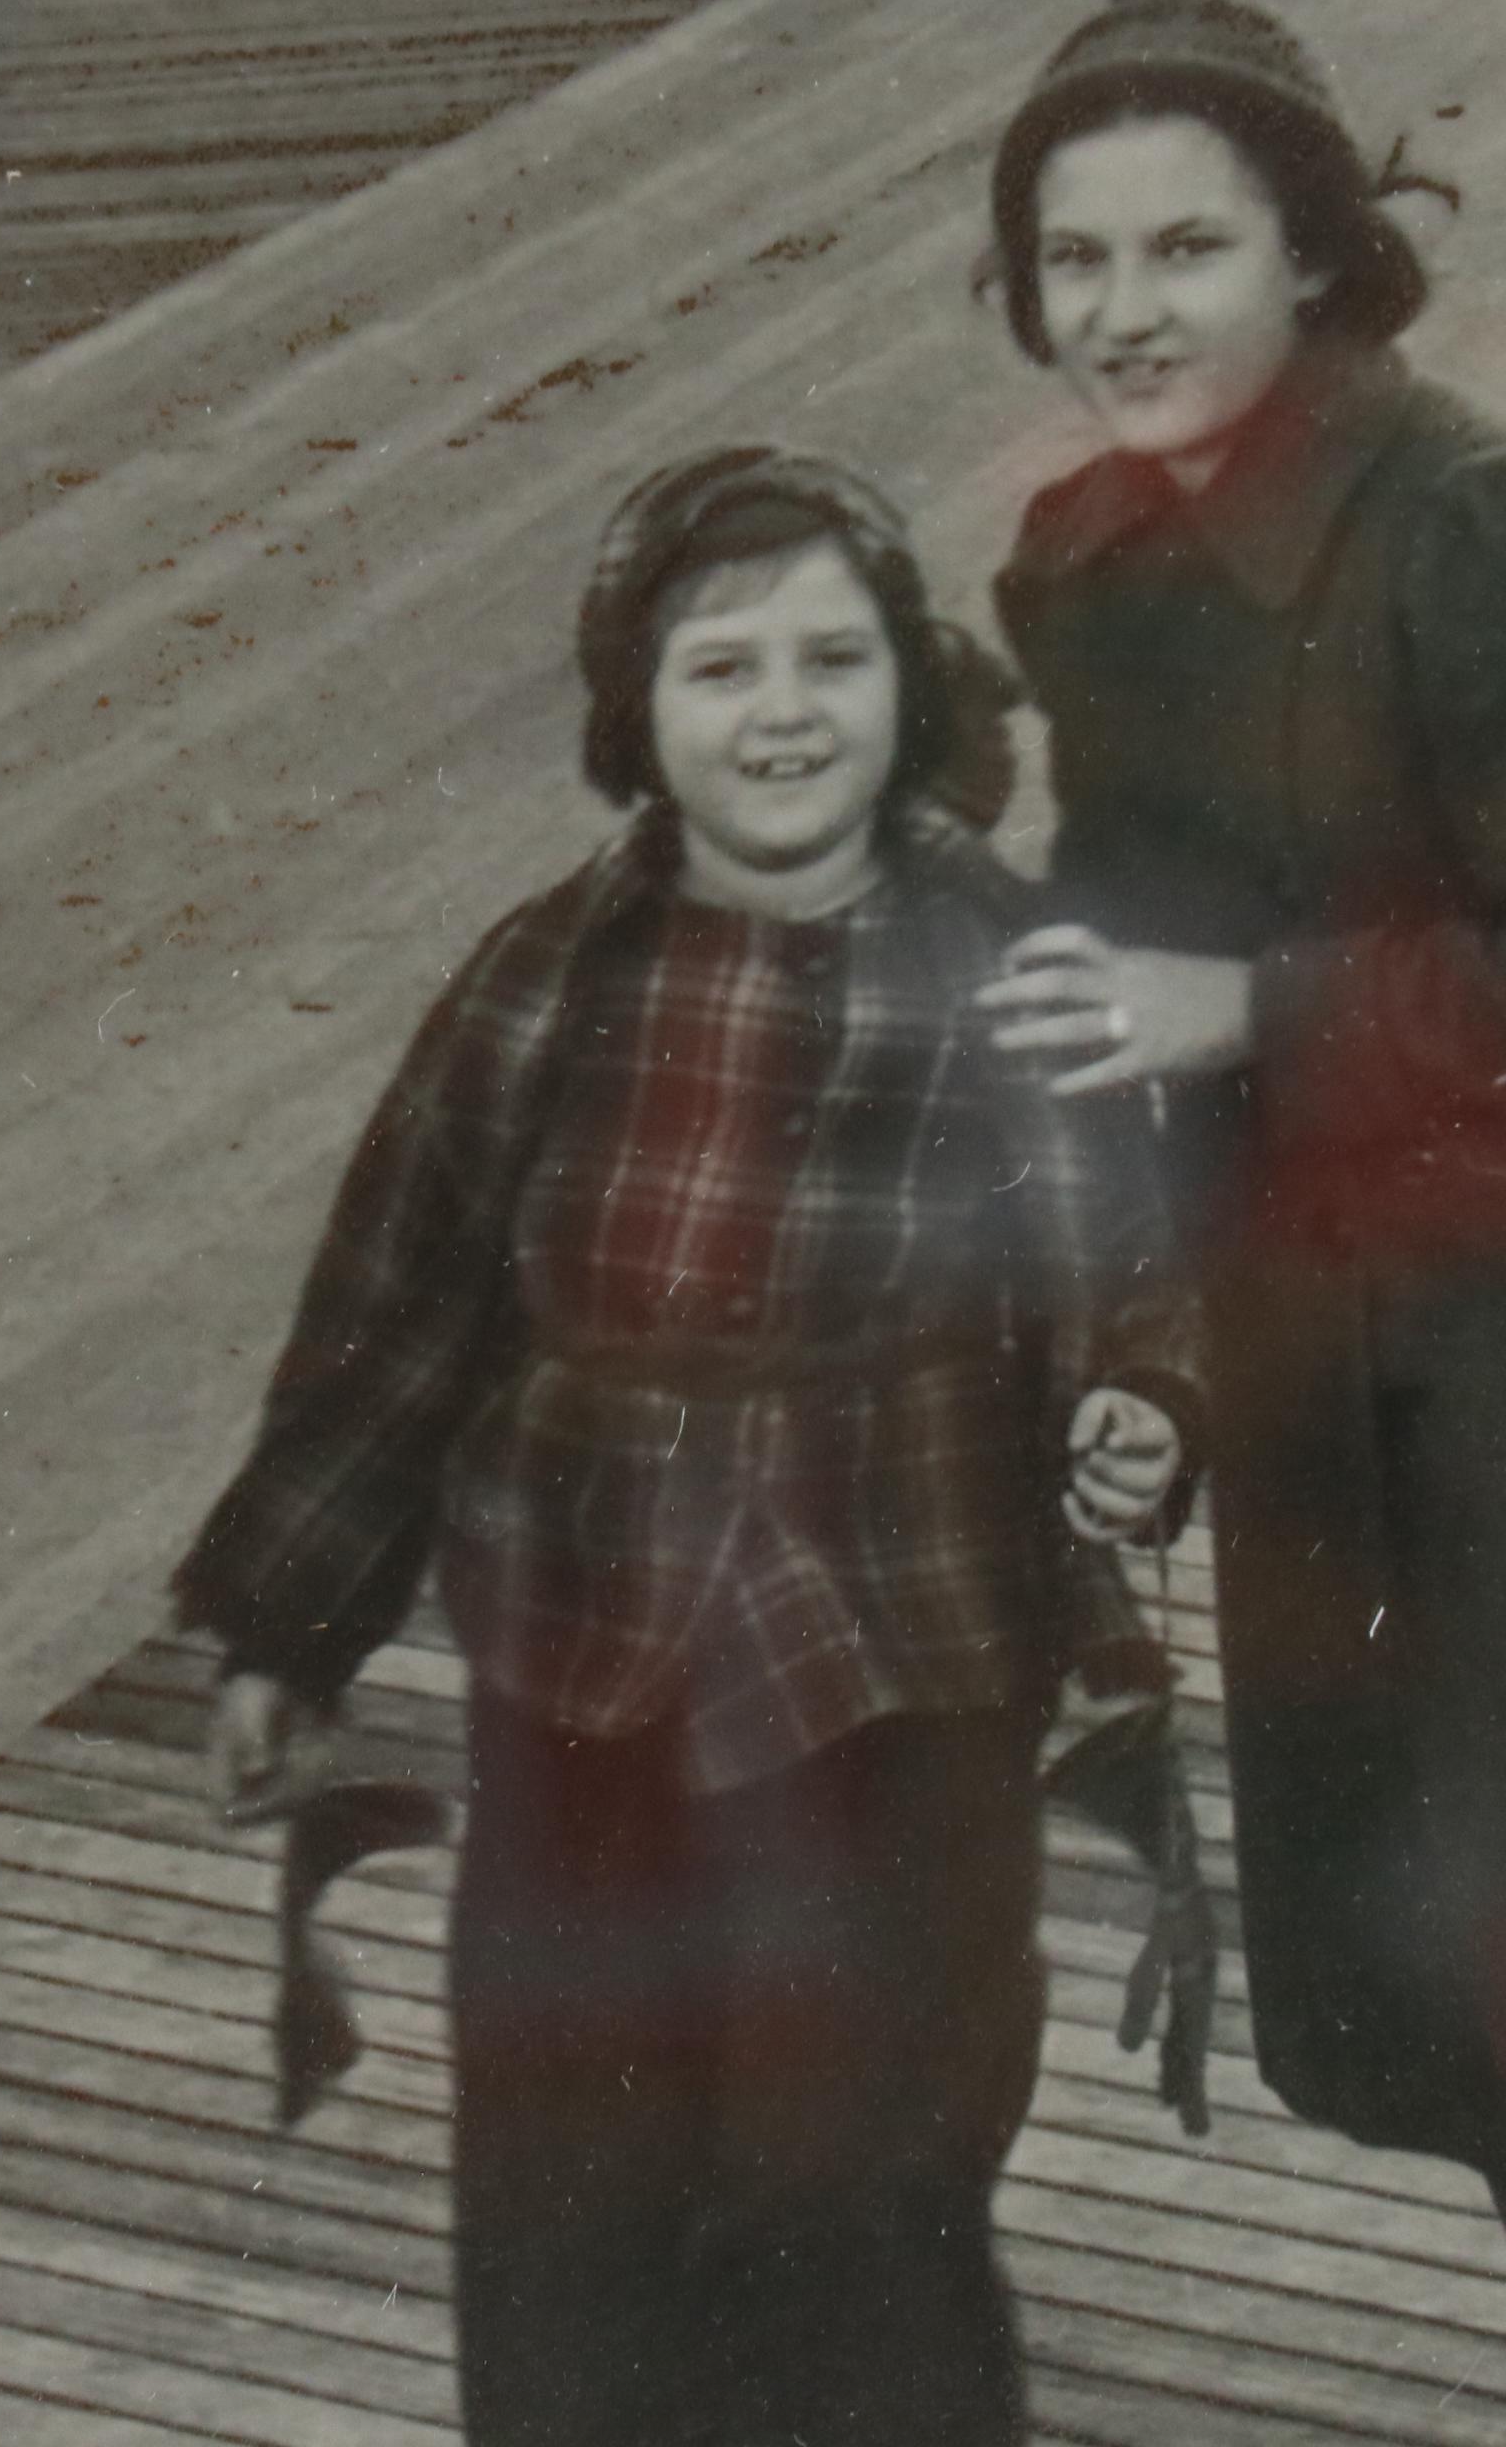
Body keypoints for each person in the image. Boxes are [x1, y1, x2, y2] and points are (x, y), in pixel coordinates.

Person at [173, 447, 1195, 2447]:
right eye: (719, 668)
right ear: (633, 718)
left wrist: (1130, 1408)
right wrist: (280, 1628)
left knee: (861, 2181)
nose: (783, 710)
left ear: (909, 685)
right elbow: (398, 1309)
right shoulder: (541, 977)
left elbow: (1120, 1257)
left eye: (832, 656)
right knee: (564, 2179)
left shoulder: (998, 957)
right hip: (585, 1671)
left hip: (898, 1669)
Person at [974, 0, 1506, 2201]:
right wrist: (1145, 1369)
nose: (1123, 305)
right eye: (1068, 257)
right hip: (1313, 1401)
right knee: (1432, 2022)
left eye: (1184, 243)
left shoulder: (1454, 523)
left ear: (1310, 247)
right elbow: (1120, 1044)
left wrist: (1261, 1008)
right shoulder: (1090, 569)